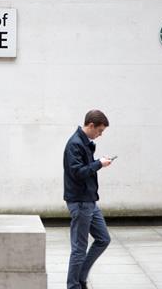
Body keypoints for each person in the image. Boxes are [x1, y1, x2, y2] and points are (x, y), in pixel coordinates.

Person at [63, 109, 113, 289]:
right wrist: (98, 163)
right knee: (79, 249)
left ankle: (81, 277)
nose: (100, 135)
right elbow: (77, 173)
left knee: (103, 239)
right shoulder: (74, 144)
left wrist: (97, 162)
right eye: (99, 131)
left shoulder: (85, 143)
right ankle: (73, 285)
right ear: (91, 125)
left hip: (90, 200)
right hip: (80, 201)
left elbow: (85, 168)